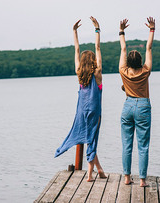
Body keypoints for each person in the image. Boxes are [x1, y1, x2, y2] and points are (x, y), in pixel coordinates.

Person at [55, 16, 106, 182]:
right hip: (94, 112)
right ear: (93, 62)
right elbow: (97, 47)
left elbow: (77, 50)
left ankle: (99, 170)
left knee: (89, 139)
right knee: (92, 140)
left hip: (80, 112)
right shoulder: (97, 74)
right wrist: (97, 29)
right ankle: (90, 175)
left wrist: (74, 31)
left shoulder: (79, 73)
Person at [118, 17, 155, 186]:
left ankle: (126, 178)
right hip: (143, 107)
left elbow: (123, 48)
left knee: (127, 144)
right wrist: (152, 30)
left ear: (128, 62)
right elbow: (148, 47)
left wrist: (122, 31)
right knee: (143, 145)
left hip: (127, 106)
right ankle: (142, 180)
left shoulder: (123, 71)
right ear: (140, 62)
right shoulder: (145, 71)